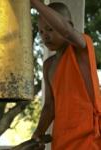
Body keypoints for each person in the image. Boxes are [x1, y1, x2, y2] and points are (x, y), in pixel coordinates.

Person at [30, 0, 101, 150]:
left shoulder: (81, 49)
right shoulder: (48, 65)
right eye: (41, 31)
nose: (45, 36)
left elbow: (66, 32)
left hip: (88, 138)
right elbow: (50, 106)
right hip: (62, 139)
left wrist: (34, 3)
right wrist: (38, 133)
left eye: (50, 29)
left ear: (67, 24)